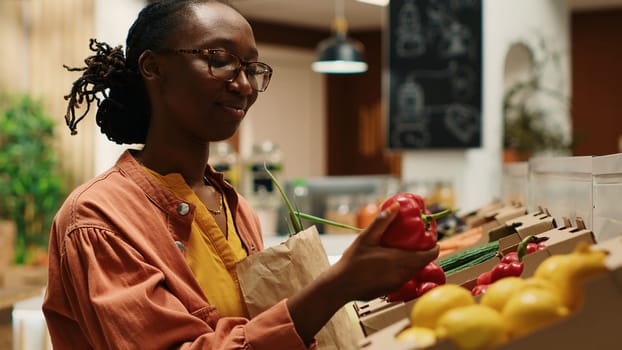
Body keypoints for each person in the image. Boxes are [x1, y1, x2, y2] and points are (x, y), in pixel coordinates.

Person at [42, 0, 439, 349]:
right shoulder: (98, 218)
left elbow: (252, 330)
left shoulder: (234, 206)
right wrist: (336, 287)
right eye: (219, 59)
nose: (244, 84)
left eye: (251, 67)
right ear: (153, 67)